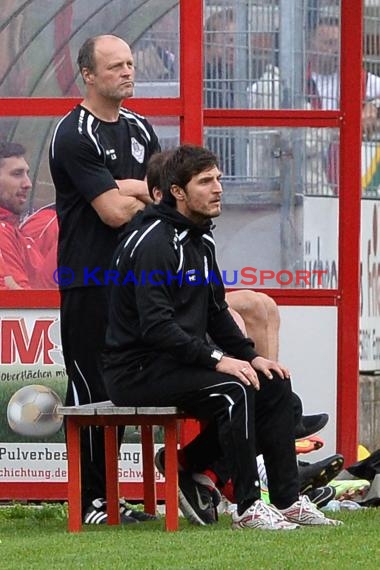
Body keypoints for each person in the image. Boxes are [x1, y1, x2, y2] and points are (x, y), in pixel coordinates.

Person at [103, 144, 341, 530]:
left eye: (218, 179)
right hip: (138, 370)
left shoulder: (201, 238)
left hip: (175, 363)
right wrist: (219, 360)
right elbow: (157, 327)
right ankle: (247, 507)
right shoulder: (154, 243)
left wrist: (250, 356)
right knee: (235, 391)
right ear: (178, 192)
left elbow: (215, 311)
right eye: (206, 181)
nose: (218, 189)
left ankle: (287, 500)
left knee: (273, 381)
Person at [48, 34, 161, 524]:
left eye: (130, 64)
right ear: (88, 75)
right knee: (93, 393)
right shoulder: (73, 133)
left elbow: (166, 199)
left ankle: (125, 494)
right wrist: (137, 191)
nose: (127, 72)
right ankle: (95, 500)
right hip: (89, 281)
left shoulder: (141, 127)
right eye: (115, 66)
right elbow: (115, 213)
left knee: (133, 391)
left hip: (138, 283)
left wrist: (131, 189)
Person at [0, 141, 52, 289]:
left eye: (27, 174)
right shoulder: (3, 232)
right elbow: (22, 304)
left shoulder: (16, 233)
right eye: (17, 174)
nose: (28, 183)